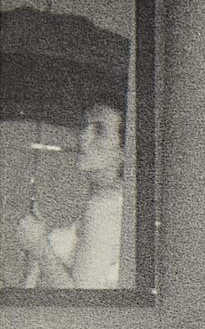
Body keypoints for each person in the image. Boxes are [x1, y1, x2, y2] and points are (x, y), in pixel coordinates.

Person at [16, 100, 126, 289]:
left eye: (99, 131)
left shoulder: (105, 206)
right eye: (86, 127)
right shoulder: (112, 199)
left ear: (124, 152)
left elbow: (84, 299)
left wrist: (39, 247)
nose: (84, 137)